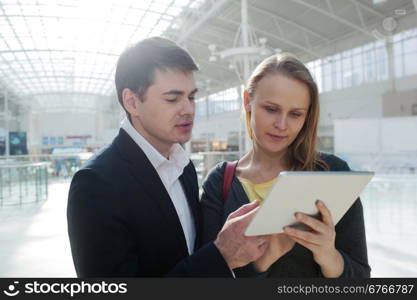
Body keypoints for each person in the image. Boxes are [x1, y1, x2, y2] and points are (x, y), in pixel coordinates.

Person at [67, 37, 269, 277]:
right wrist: (221, 255)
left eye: (191, 97)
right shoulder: (96, 184)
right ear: (132, 102)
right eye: (172, 99)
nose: (188, 109)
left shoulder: (184, 167)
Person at [201, 54, 371, 278]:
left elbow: (361, 277)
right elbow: (204, 275)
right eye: (271, 109)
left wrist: (329, 257)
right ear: (247, 101)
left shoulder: (330, 172)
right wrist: (264, 260)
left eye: (295, 114)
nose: (281, 125)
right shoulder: (220, 182)